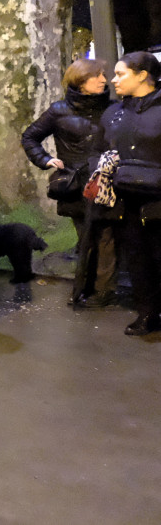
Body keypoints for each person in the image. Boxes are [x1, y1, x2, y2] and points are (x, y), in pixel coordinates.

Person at [21, 58, 115, 307]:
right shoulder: (59, 110)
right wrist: (46, 160)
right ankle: (84, 288)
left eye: (103, 75)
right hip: (75, 184)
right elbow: (30, 136)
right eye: (97, 76)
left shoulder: (115, 109)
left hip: (107, 182)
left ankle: (102, 291)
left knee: (107, 235)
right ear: (80, 81)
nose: (104, 80)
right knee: (86, 236)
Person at [100, 52, 161, 336]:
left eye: (120, 73)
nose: (114, 80)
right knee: (137, 258)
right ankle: (147, 314)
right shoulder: (113, 113)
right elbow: (100, 151)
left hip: (158, 197)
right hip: (126, 197)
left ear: (142, 75)